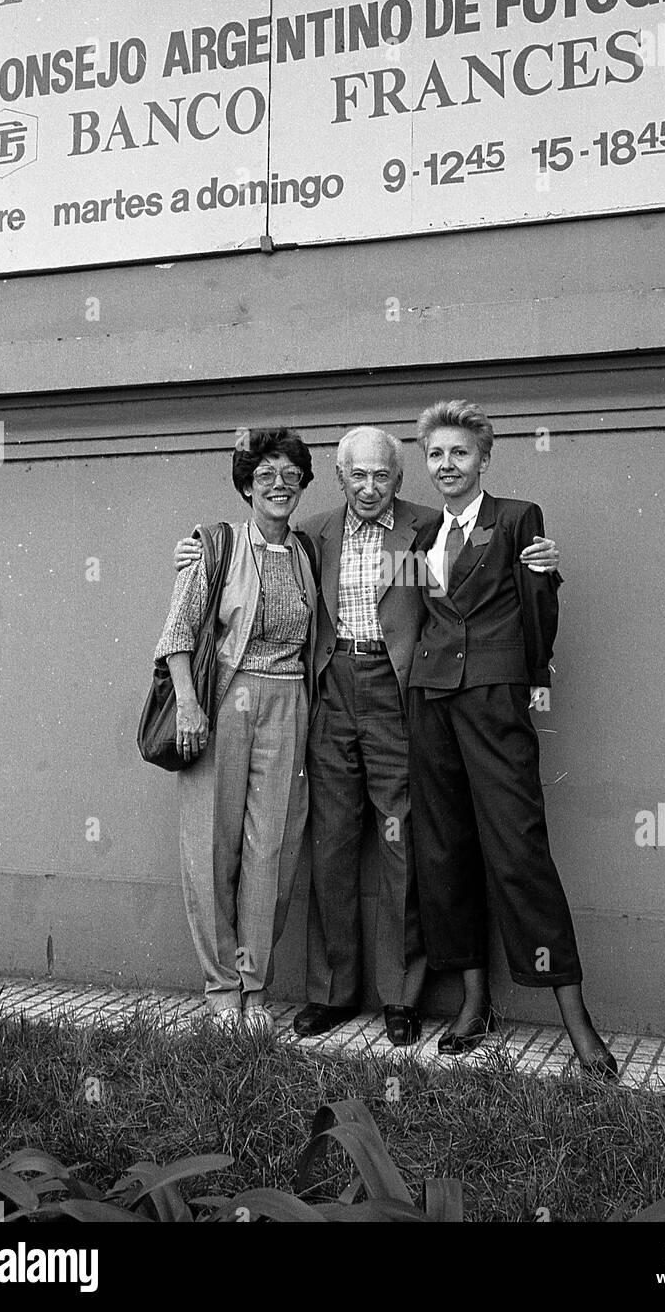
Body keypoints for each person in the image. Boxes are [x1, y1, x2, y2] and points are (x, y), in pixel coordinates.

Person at [173, 425, 559, 1045]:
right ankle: (330, 992)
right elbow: (249, 551)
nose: (371, 486)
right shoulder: (314, 534)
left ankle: (400, 996)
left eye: (383, 475)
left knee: (400, 837)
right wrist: (192, 552)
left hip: (399, 691)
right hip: (329, 689)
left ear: (400, 481)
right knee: (330, 839)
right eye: (359, 475)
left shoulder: (427, 528)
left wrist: (537, 561)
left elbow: (482, 566)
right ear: (340, 478)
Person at [407, 400, 616, 1074]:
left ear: (484, 459)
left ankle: (577, 1024)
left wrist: (543, 579)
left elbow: (538, 616)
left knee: (518, 851)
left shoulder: (519, 518)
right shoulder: (418, 538)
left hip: (495, 702)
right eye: (436, 454)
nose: (447, 465)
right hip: (430, 702)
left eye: (459, 453)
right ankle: (474, 1004)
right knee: (444, 852)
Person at [155, 428, 318, 1036]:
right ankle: (222, 989)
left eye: (290, 475)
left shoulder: (305, 551)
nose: (279, 485)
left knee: (271, 847)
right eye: (265, 475)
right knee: (212, 846)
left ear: (302, 484)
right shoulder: (214, 546)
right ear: (246, 485)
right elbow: (177, 633)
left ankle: (255, 984)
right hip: (225, 702)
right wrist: (191, 707)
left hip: (288, 701)